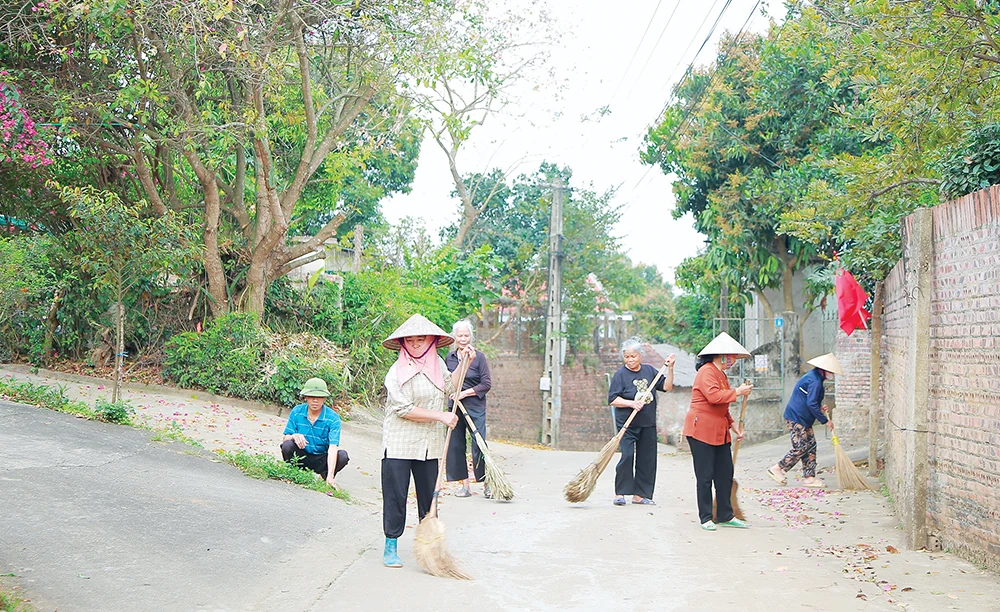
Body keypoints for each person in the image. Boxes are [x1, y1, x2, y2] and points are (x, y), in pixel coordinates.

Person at [380, 314, 472, 569]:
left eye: (421, 339)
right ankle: (391, 544)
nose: (416, 344)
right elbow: (403, 409)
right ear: (403, 343)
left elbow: (451, 388)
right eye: (410, 340)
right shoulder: (395, 372)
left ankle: (430, 547)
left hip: (429, 444)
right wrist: (439, 416)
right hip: (399, 442)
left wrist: (463, 363)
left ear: (432, 341)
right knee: (395, 496)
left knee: (428, 497)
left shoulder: (438, 365)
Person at [684, 332, 754, 531]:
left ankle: (725, 514)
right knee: (705, 475)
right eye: (730, 357)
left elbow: (722, 407)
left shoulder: (722, 374)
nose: (732, 361)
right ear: (721, 355)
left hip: (720, 430)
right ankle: (706, 517)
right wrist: (739, 392)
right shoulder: (706, 371)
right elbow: (714, 397)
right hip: (701, 429)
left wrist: (733, 426)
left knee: (725, 473)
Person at [607, 338, 675, 506]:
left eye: (633, 356)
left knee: (647, 459)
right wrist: (631, 403)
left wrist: (671, 368)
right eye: (627, 356)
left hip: (647, 423)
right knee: (627, 455)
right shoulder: (620, 375)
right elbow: (613, 399)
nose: (630, 360)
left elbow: (666, 387)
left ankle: (640, 495)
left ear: (640, 356)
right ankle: (620, 493)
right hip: (627, 425)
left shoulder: (650, 371)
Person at [767, 353, 844, 488]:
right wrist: (825, 421)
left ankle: (809, 477)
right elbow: (811, 403)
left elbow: (810, 400)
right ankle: (778, 468)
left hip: (803, 418)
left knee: (811, 445)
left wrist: (819, 408)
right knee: (802, 446)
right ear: (825, 370)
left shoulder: (815, 378)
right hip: (797, 417)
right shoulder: (815, 381)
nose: (832, 374)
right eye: (831, 372)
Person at [444, 319, 493, 499]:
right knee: (456, 446)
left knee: (479, 444)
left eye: (466, 335)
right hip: (455, 407)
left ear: (470, 337)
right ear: (454, 337)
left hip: (474, 406)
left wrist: (464, 394)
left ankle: (488, 483)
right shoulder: (449, 358)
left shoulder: (479, 357)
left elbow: (486, 384)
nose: (463, 339)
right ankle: (464, 486)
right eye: (460, 335)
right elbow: (447, 382)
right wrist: (454, 395)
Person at [280, 377, 350, 488]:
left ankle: (325, 477)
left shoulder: (333, 418)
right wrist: (294, 436)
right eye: (312, 397)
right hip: (301, 455)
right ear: (306, 397)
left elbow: (333, 447)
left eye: (319, 397)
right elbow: (285, 438)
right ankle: (292, 472)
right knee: (287, 445)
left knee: (342, 456)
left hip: (321, 458)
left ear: (324, 398)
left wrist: (331, 476)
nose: (315, 401)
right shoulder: (297, 411)